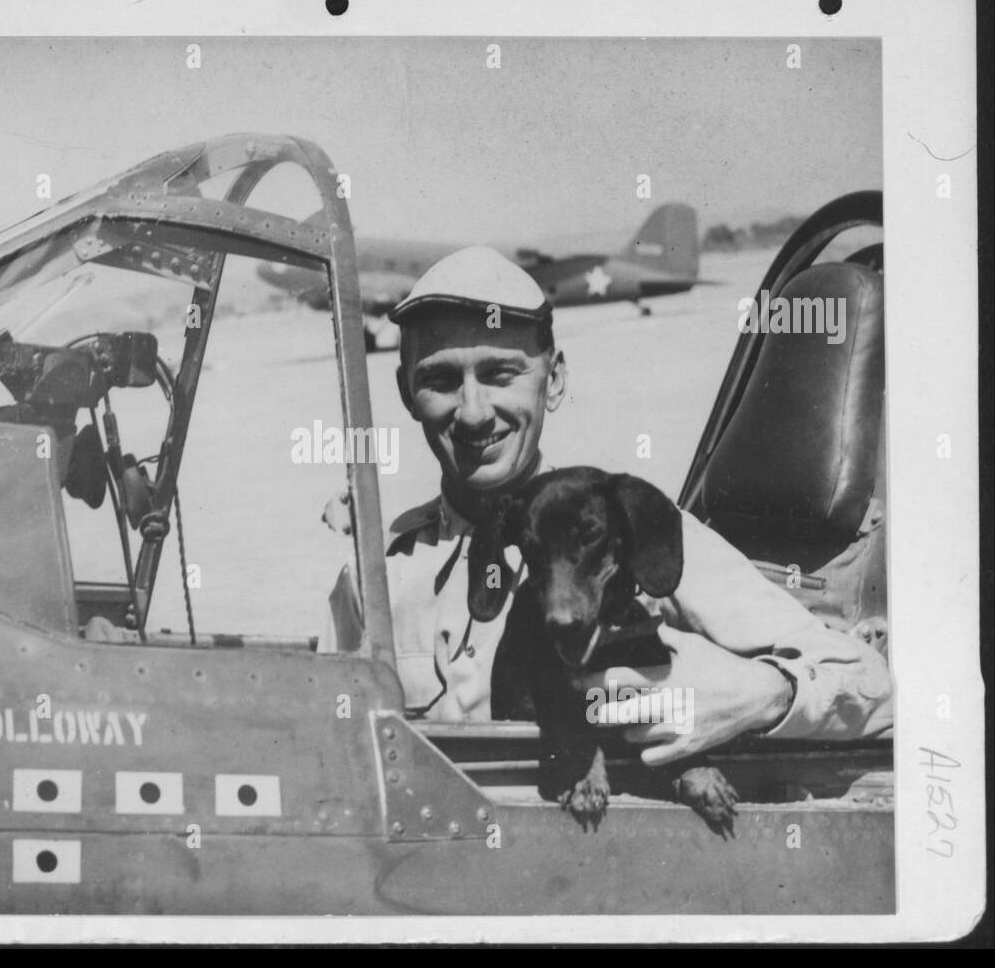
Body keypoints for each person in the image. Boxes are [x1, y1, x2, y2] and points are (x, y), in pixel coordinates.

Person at [323, 246, 892, 763]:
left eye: (501, 374)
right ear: (406, 395)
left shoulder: (634, 530)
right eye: (441, 380)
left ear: (554, 380)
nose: (473, 412)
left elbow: (865, 681)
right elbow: (329, 738)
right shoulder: (378, 568)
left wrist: (763, 695)